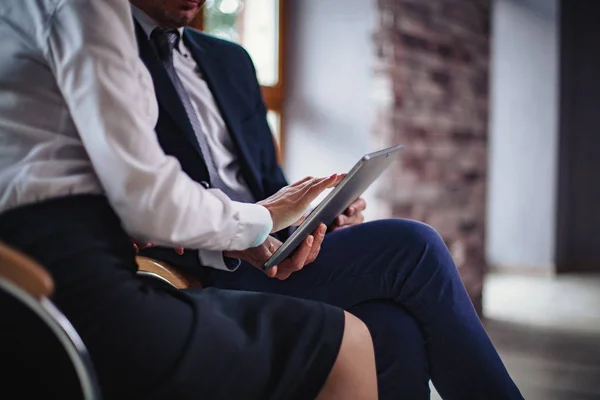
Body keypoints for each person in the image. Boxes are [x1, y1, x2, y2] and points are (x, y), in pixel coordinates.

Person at [130, 1, 525, 399]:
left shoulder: (229, 60)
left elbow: (269, 180)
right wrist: (242, 231)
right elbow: (131, 195)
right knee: (416, 248)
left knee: (391, 328)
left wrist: (320, 215)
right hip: (199, 262)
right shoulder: (106, 54)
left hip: (272, 253)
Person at [0, 1, 380, 399]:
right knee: (348, 341)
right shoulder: (88, 8)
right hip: (72, 290)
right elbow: (147, 198)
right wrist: (261, 217)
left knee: (386, 324)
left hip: (28, 276)